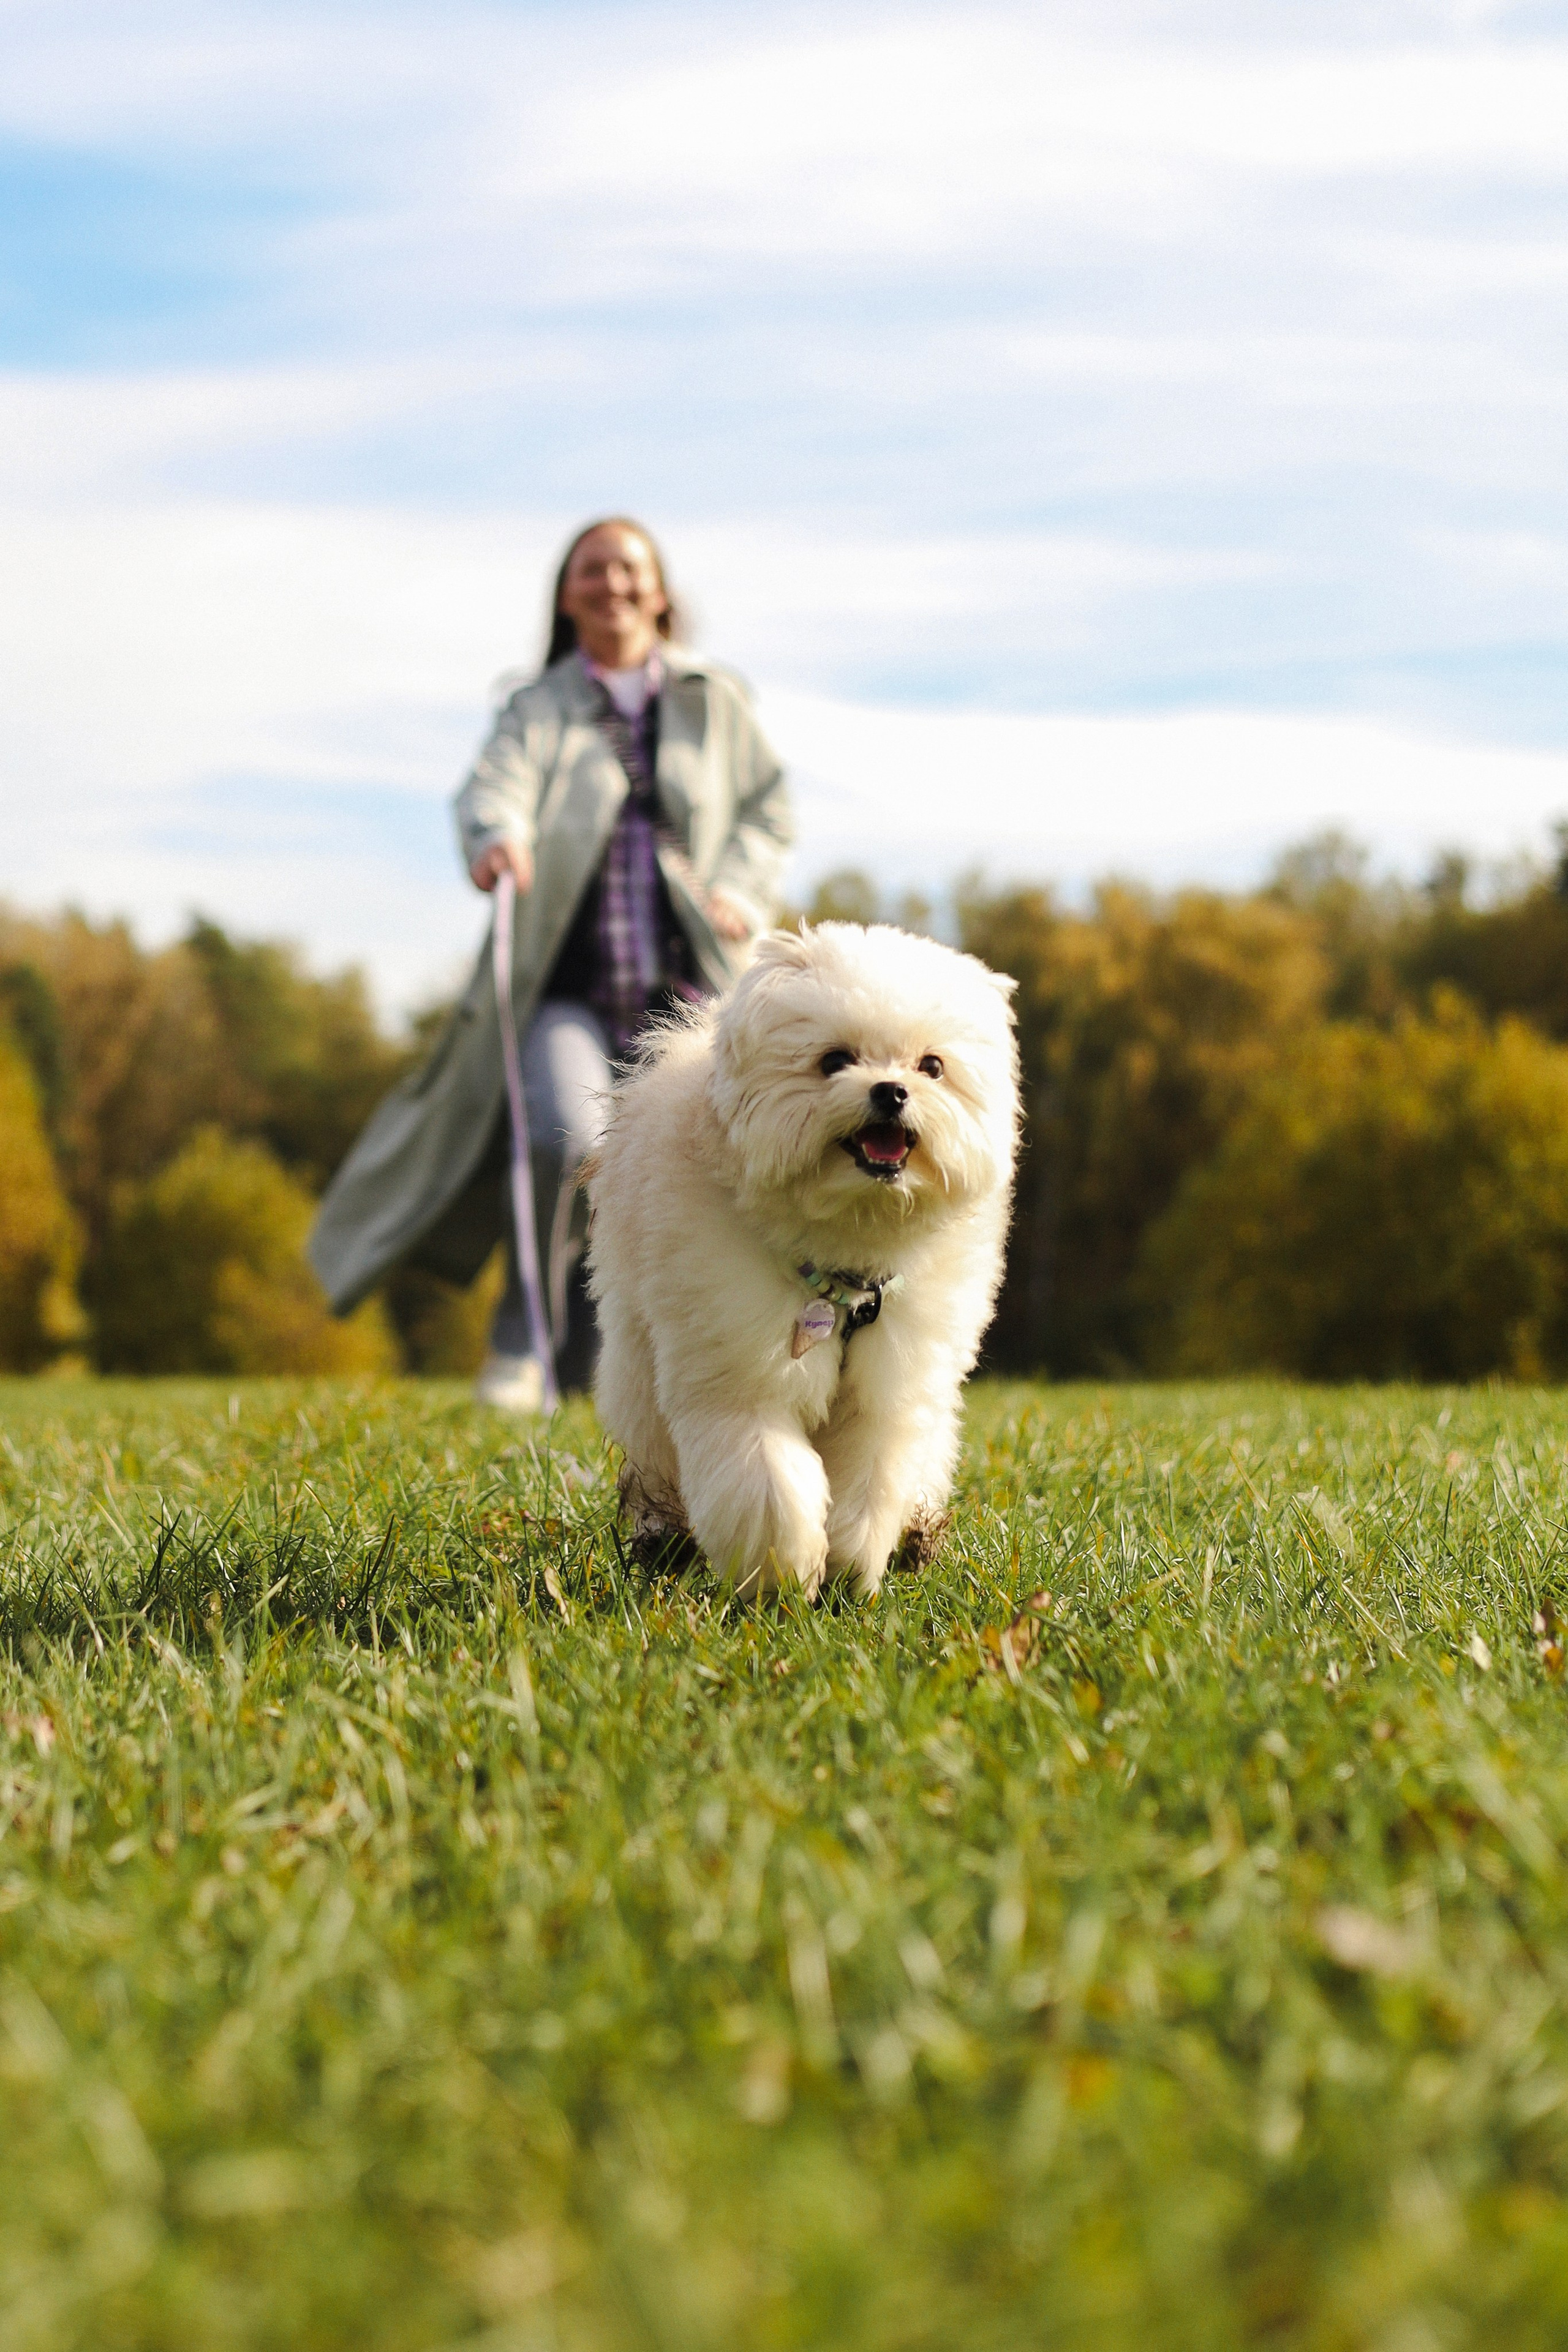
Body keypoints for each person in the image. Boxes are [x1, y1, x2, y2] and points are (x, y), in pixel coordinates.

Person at [308, 516, 793, 1407]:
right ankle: (523, 1343)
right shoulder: (537, 704)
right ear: (567, 595)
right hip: (563, 990)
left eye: (628, 569)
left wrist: (739, 887)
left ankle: (638, 1357)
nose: (611, 584)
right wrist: (499, 837)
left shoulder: (714, 700)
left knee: (700, 1165)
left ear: (659, 591)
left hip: (686, 988)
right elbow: (495, 785)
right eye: (592, 570)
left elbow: (768, 810)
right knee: (567, 1143)